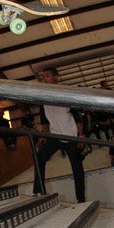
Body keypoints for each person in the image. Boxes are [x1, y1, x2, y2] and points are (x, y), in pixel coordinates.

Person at [32, 67, 85, 203]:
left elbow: (77, 117)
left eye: (48, 76)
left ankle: (81, 199)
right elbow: (45, 121)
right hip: (55, 136)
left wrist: (80, 135)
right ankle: (39, 191)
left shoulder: (66, 94)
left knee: (76, 167)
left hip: (70, 135)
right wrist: (44, 136)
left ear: (56, 77)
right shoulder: (42, 98)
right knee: (40, 158)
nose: (45, 79)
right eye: (43, 77)